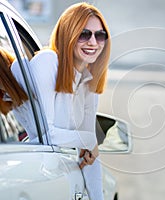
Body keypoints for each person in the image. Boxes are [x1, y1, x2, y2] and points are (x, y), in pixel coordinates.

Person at [12, 3, 111, 200]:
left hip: (50, 170)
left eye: (99, 35)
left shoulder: (89, 80)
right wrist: (88, 140)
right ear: (68, 34)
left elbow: (90, 156)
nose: (93, 42)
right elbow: (48, 136)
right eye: (84, 34)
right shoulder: (48, 61)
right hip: (26, 167)